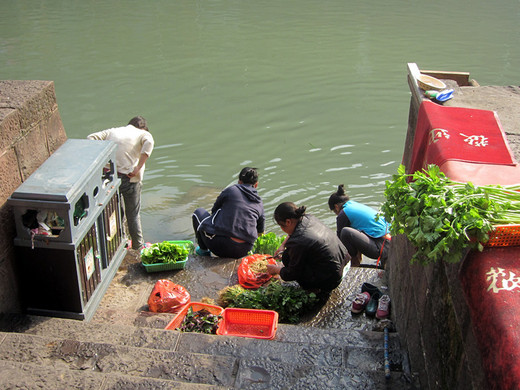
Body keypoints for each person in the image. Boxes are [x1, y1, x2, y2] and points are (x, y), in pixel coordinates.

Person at [87, 116, 154, 250]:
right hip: (130, 178)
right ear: (142, 128)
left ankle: (121, 242)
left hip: (108, 177)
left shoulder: (113, 131)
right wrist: (138, 167)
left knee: (116, 211)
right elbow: (149, 142)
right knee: (133, 214)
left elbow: (90, 138)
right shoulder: (143, 133)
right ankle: (138, 246)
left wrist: (102, 162)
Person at [266, 202, 350, 294]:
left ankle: (315, 288)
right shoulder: (308, 218)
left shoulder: (298, 241)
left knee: (288, 261)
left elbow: (290, 274)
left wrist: (275, 269)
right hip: (343, 260)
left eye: (281, 225)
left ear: (288, 222)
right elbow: (294, 233)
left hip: (332, 279)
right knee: (287, 255)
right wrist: (282, 245)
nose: (282, 228)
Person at [192, 167, 265, 258]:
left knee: (198, 212)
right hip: (244, 251)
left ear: (239, 181)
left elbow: (214, 210)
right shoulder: (259, 203)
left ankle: (203, 251)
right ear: (256, 185)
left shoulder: (231, 190)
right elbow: (261, 233)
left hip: (220, 247)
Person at [328, 184, 391, 268]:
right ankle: (357, 261)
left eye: (334, 211)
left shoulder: (343, 214)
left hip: (382, 248)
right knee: (353, 233)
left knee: (345, 233)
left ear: (336, 207)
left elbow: (340, 244)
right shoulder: (354, 205)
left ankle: (354, 264)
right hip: (389, 241)